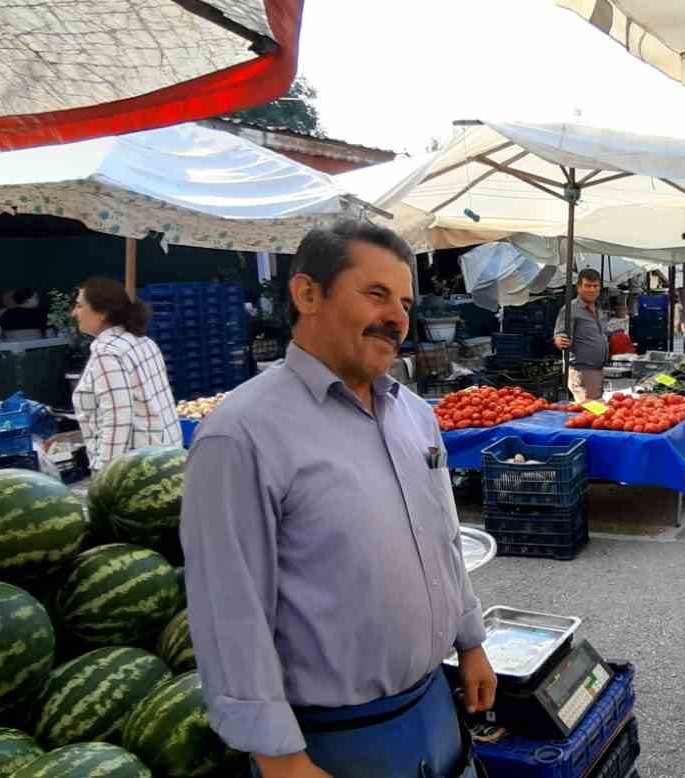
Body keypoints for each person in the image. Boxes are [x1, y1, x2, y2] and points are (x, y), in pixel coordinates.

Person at [180, 220, 495, 778]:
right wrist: (280, 758)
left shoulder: (417, 418)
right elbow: (229, 609)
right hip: (332, 747)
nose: (397, 317)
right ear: (307, 293)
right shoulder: (241, 434)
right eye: (376, 294)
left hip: (435, 714)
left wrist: (470, 642)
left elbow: (443, 540)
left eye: (403, 301)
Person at [71, 277, 181, 471]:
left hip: (138, 468)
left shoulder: (108, 352)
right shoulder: (143, 342)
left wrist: (105, 473)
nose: (74, 313)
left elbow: (117, 418)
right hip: (168, 457)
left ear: (102, 312)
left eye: (80, 306)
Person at [553, 268, 611, 403]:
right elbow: (560, 333)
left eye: (595, 286)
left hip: (597, 370)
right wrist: (559, 339)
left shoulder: (599, 309)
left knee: (596, 411)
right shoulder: (571, 309)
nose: (591, 290)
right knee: (589, 411)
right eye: (587, 286)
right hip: (581, 372)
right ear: (579, 287)